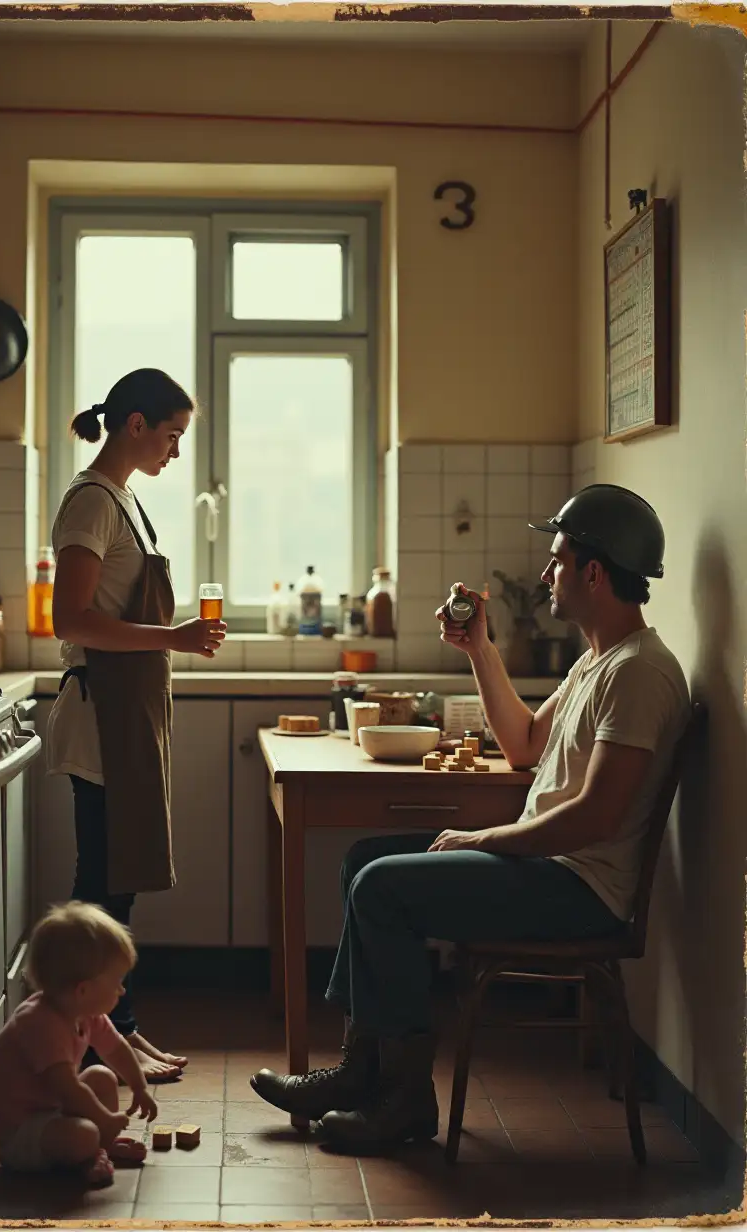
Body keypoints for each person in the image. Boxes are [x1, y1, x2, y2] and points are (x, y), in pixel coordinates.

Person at [251, 483, 690, 1152]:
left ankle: (402, 1103)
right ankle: (362, 1070)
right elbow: (522, 745)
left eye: (556, 561)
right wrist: (479, 650)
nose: (546, 575)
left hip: (580, 890)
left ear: (593, 573)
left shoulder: (641, 673)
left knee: (381, 887)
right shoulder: (596, 663)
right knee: (363, 860)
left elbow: (594, 818)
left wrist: (487, 837)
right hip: (549, 868)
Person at [46, 368, 226, 1082]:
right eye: (172, 436)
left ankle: (115, 1028)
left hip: (130, 714)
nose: (175, 452)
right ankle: (91, 1037)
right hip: (101, 721)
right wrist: (173, 639)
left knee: (118, 882)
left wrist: (171, 640)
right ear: (136, 425)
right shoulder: (90, 502)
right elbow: (72, 620)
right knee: (103, 886)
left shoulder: (123, 501)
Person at [0, 902, 158, 1186]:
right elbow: (69, 1090)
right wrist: (103, 1119)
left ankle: (98, 1148)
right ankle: (88, 1154)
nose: (122, 990)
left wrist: (139, 1087)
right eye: (117, 982)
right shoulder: (40, 1024)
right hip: (22, 1133)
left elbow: (116, 1050)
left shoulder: (86, 1013)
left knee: (102, 1077)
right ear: (83, 990)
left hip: (51, 1111)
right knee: (85, 1134)